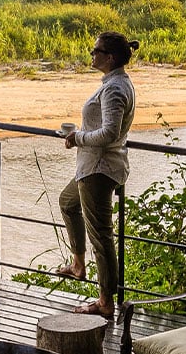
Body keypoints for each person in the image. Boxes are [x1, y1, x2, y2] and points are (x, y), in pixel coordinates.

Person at [54, 31, 139, 319]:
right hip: (92, 166)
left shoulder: (114, 89)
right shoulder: (116, 83)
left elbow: (110, 133)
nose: (91, 54)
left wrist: (78, 137)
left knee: (101, 237)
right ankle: (78, 265)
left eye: (96, 51)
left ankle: (105, 302)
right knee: (68, 203)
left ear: (109, 57)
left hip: (99, 169)